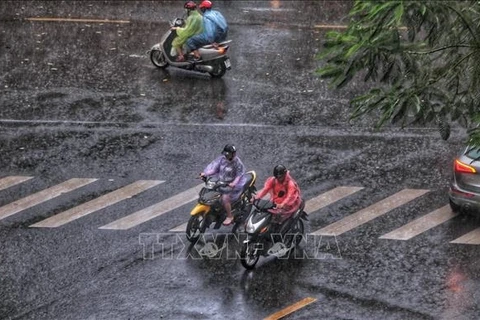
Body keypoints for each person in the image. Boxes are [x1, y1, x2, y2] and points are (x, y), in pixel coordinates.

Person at [200, 144, 246, 226]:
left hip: (230, 185)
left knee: (225, 198)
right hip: (221, 182)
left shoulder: (237, 163)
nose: (226, 156)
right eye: (226, 154)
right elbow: (215, 169)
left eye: (228, 154)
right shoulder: (222, 159)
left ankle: (229, 216)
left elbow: (239, 175)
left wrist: (233, 183)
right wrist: (205, 173)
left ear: (233, 154)